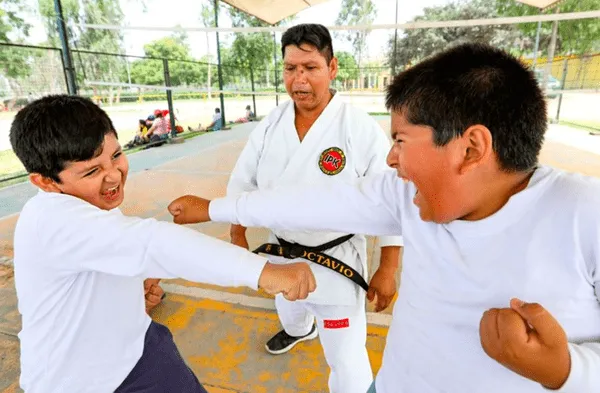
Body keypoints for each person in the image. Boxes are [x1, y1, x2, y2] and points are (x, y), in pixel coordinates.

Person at [168, 42, 600, 393]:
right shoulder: (404, 195)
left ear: (470, 148)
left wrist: (565, 370)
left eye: (402, 140)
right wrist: (215, 209)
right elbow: (308, 201)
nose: (391, 158)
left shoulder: (584, 214)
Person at [9, 95, 317, 393]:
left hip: (138, 349)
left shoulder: (90, 200)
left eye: (116, 155)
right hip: (82, 383)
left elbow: (106, 256)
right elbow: (152, 243)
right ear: (44, 182)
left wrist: (125, 296)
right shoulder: (52, 219)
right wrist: (263, 271)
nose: (114, 175)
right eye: (92, 171)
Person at [223, 23, 402, 393]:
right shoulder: (271, 125)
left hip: (337, 258)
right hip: (282, 252)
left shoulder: (358, 127)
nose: (299, 80)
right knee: (291, 313)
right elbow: (243, 180)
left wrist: (388, 265)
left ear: (332, 68)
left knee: (348, 362)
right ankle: (299, 331)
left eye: (310, 68)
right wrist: (237, 233)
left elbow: (389, 196)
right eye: (290, 69)